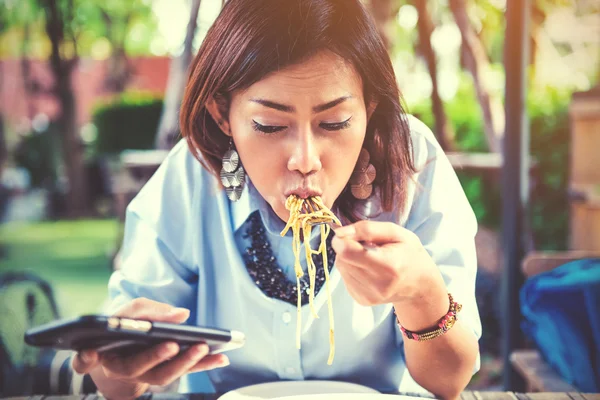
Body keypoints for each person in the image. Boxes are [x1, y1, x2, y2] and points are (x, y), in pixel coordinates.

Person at [72, 0, 481, 399]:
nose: (305, 160)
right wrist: (121, 363)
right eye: (269, 125)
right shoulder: (191, 177)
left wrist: (423, 295)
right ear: (221, 115)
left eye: (334, 122)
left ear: (369, 107)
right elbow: (116, 382)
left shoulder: (411, 163)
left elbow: (449, 382)